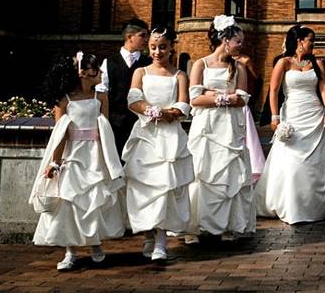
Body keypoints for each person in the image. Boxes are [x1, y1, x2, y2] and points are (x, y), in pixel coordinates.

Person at [30, 53, 125, 271]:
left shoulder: (100, 97)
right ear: (83, 73)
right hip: (72, 156)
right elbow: (60, 133)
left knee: (94, 199)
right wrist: (55, 162)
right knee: (69, 201)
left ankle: (95, 244)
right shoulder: (66, 100)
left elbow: (105, 128)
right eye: (97, 70)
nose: (101, 73)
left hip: (94, 155)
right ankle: (70, 250)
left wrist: (108, 160)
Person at [255, 25, 325, 223]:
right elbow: (274, 91)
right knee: (292, 159)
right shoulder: (283, 63)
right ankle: (293, 204)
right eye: (311, 40)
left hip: (315, 114)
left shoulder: (317, 63)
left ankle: (317, 205)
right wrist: (275, 117)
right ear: (300, 41)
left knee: (317, 162)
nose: (313, 44)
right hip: (293, 114)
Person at [122, 26, 193, 261]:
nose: (157, 51)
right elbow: (133, 100)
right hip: (146, 134)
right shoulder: (140, 72)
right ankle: (148, 234)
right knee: (144, 188)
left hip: (170, 136)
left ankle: (161, 241)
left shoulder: (179, 75)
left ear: (171, 46)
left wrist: (168, 113)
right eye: (153, 47)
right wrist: (150, 111)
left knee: (166, 187)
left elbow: (184, 105)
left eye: (162, 47)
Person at [187, 15, 256, 238]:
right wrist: (224, 98)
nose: (241, 45)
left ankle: (229, 224)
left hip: (229, 126)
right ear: (225, 40)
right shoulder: (201, 64)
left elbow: (243, 98)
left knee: (230, 172)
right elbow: (194, 99)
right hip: (207, 127)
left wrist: (214, 95)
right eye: (238, 41)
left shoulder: (239, 67)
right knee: (203, 170)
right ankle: (198, 225)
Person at [98, 19, 150, 157]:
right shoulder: (109, 63)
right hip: (115, 125)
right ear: (129, 37)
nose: (147, 39)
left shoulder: (149, 63)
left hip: (142, 124)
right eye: (143, 35)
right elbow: (101, 94)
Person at [234, 51, 266, 182]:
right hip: (225, 101)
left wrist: (251, 98)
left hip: (242, 99)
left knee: (246, 135)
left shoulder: (245, 60)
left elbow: (256, 78)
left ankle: (252, 165)